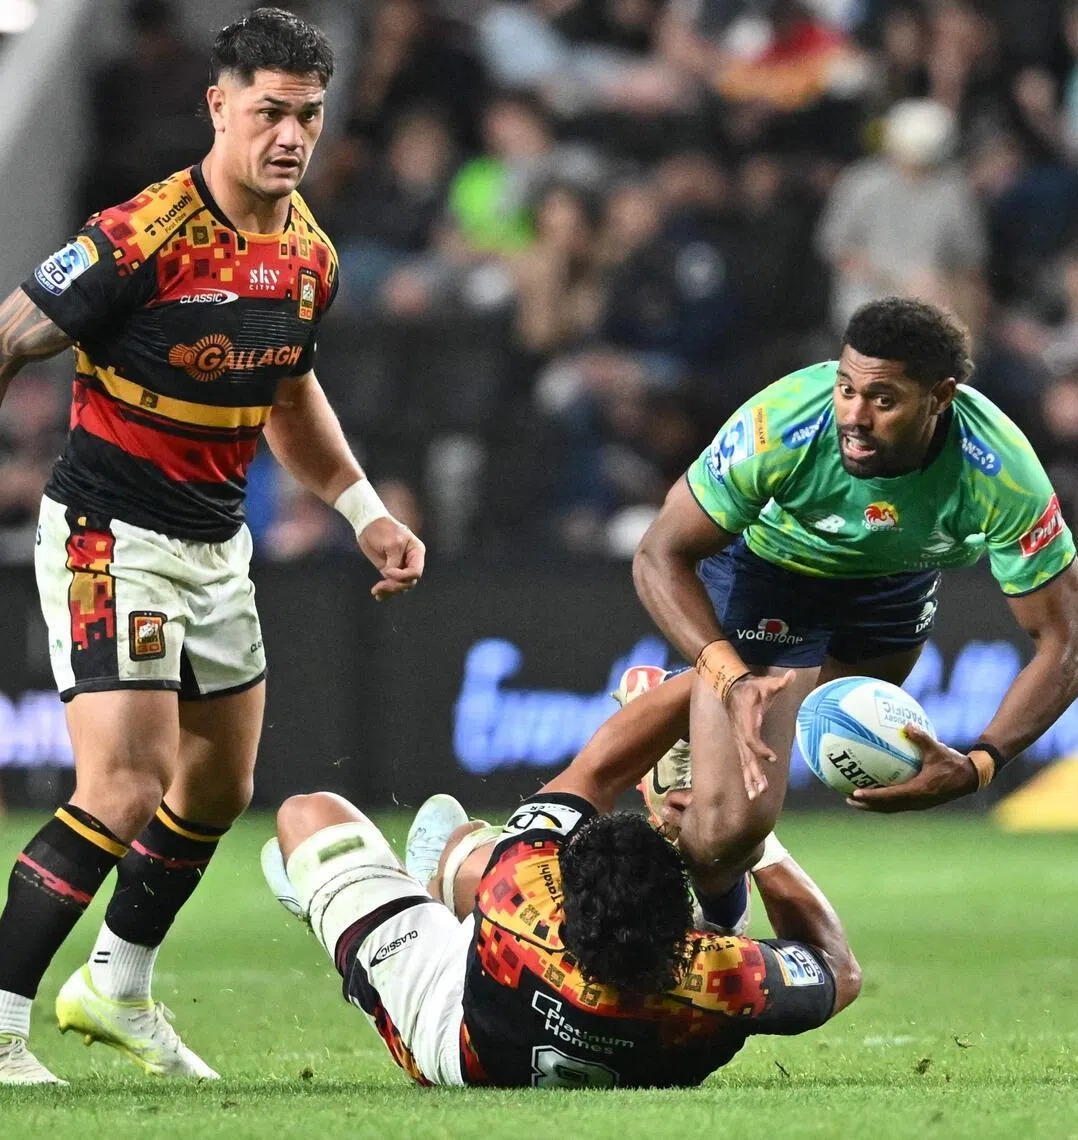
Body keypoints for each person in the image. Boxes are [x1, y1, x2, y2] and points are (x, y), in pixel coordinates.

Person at [0, 8, 425, 1085]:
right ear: (218, 106)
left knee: (217, 790)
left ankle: (116, 986)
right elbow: (10, 335)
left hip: (214, 543)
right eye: (271, 111)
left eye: (309, 116)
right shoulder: (140, 236)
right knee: (124, 784)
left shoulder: (307, 253)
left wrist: (364, 510)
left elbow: (289, 391)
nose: (292, 135)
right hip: (110, 534)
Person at [630, 296, 1078, 935]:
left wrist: (979, 765)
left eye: (883, 399)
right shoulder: (784, 422)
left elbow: (1066, 645)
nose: (854, 414)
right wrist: (728, 676)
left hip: (894, 587)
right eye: (847, 388)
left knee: (758, 790)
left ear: (940, 397)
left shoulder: (1002, 471)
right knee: (727, 832)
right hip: (773, 573)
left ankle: (683, 713)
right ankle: (717, 925)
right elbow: (658, 554)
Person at [261, 669, 861, 1088]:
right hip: (607, 1011)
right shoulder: (721, 978)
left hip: (457, 1034)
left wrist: (712, 675)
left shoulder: (520, 895)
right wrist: (752, 842)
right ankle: (453, 876)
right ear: (683, 930)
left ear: (564, 902)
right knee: (472, 861)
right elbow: (840, 969)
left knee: (308, 816)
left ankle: (395, 892)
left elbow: (596, 771)